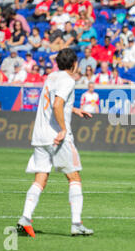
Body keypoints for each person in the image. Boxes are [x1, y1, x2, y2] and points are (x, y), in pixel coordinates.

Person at [16, 48, 94, 238]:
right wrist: (63, 129)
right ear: (74, 64)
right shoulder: (68, 80)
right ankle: (76, 224)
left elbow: (56, 101)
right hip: (57, 137)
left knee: (40, 179)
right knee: (74, 178)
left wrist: (74, 110)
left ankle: (25, 219)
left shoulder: (51, 77)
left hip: (40, 136)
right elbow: (57, 104)